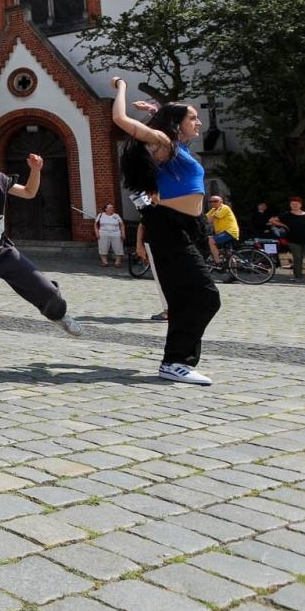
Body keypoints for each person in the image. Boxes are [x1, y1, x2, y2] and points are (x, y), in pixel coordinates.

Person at [0, 137, 85, 376]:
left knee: (45, 289)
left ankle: (59, 315)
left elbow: (30, 192)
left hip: (4, 253)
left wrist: (36, 171)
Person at [112, 77, 218, 384]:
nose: (199, 122)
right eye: (193, 118)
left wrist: (156, 109)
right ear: (178, 123)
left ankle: (176, 362)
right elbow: (120, 119)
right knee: (206, 296)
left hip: (187, 227)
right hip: (167, 226)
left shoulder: (178, 146)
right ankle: (176, 361)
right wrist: (121, 87)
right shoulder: (164, 142)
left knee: (186, 299)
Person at [271, 197, 305, 282]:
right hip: (294, 241)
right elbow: (272, 220)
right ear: (290, 205)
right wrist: (284, 226)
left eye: (296, 204)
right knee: (297, 259)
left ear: (300, 205)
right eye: (293, 204)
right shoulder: (286, 215)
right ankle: (298, 277)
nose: (295, 205)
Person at [203, 194, 238, 265]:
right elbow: (204, 218)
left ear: (221, 201)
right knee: (229, 254)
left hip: (229, 232)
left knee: (211, 240)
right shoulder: (213, 209)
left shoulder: (224, 207)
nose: (213, 203)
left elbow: (210, 219)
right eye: (211, 201)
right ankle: (234, 275)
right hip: (223, 233)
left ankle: (217, 261)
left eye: (215, 201)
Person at [94, 202, 126, 267]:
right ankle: (104, 262)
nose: (112, 208)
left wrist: (123, 233)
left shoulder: (116, 215)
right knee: (103, 247)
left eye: (112, 207)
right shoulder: (100, 215)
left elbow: (122, 225)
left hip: (116, 233)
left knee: (118, 247)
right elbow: (95, 224)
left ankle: (118, 262)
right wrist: (97, 233)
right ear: (105, 209)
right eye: (110, 207)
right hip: (103, 233)